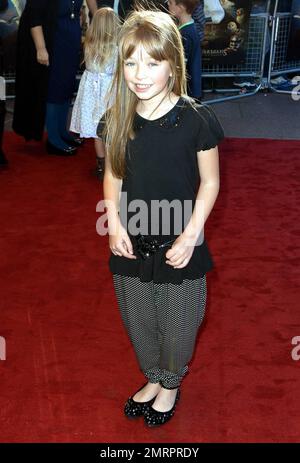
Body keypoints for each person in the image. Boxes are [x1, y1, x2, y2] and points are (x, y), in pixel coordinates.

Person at [98, 9, 224, 426]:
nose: (139, 73)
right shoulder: (118, 117)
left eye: (152, 62)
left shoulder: (196, 119)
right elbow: (113, 174)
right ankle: (153, 376)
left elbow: (210, 182)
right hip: (131, 239)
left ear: (173, 63)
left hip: (180, 241)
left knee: (179, 322)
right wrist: (114, 222)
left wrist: (190, 236)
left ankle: (170, 382)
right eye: (131, 62)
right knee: (139, 319)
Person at [12, 0, 98, 156]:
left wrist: (96, 19)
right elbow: (34, 17)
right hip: (52, 39)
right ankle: (53, 139)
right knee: (54, 87)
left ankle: (62, 132)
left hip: (70, 37)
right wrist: (41, 48)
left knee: (66, 85)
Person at [70, 7, 120, 180]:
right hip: (110, 94)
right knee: (111, 131)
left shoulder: (89, 45)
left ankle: (101, 166)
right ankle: (113, 165)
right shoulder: (118, 48)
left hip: (91, 95)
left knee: (96, 131)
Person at [168, 0, 202, 100]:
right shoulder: (188, 27)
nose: (168, 5)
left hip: (187, 89)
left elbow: (181, 65)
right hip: (190, 86)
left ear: (181, 7)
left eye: (170, 2)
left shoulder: (186, 33)